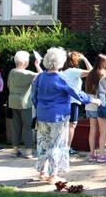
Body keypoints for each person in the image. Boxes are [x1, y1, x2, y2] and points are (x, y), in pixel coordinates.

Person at [32, 47, 101, 183]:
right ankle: (53, 175)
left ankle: (42, 172)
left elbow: (34, 97)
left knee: (42, 144)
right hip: (58, 116)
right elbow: (76, 93)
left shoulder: (40, 77)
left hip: (42, 115)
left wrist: (39, 108)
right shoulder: (61, 78)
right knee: (55, 145)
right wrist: (93, 100)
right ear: (60, 62)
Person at [7, 50, 42, 158]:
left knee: (16, 127)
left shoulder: (12, 72)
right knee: (27, 127)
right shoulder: (27, 73)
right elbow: (42, 75)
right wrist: (37, 64)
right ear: (25, 62)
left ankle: (14, 150)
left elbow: (8, 85)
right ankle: (28, 151)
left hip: (13, 102)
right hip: (25, 103)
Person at [60, 51, 92, 153]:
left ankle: (62, 147)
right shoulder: (74, 71)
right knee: (72, 125)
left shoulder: (62, 72)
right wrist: (85, 59)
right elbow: (92, 71)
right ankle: (67, 148)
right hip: (73, 101)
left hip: (63, 101)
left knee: (64, 125)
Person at [84, 54, 106, 163]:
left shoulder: (90, 73)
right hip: (100, 105)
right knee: (103, 130)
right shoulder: (102, 74)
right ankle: (101, 154)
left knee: (92, 130)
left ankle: (92, 154)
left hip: (89, 105)